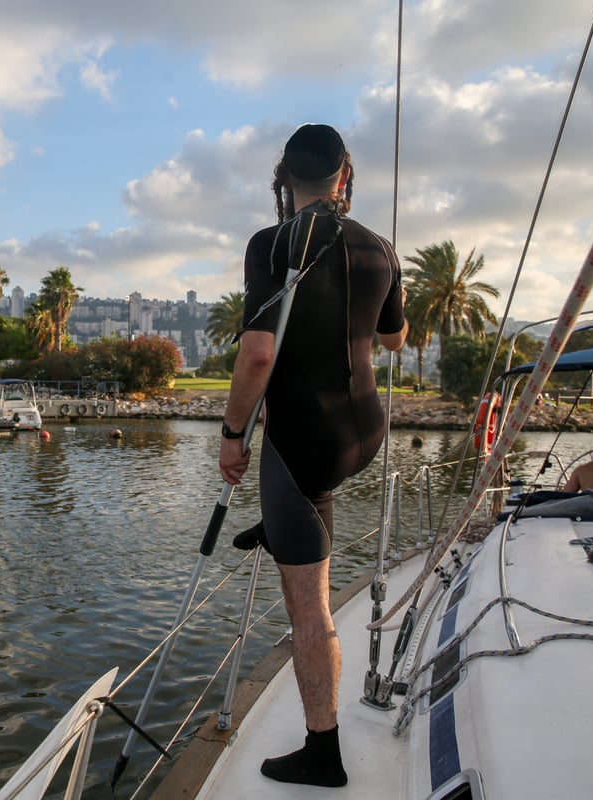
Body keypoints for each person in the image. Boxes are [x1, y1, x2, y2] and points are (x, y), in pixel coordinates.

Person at [219, 123, 408, 788]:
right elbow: (393, 339)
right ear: (344, 178)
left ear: (283, 181)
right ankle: (285, 524)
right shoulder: (381, 247)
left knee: (310, 607)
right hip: (365, 432)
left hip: (302, 445)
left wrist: (232, 435)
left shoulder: (273, 245)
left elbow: (259, 353)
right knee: (302, 514)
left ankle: (322, 753)